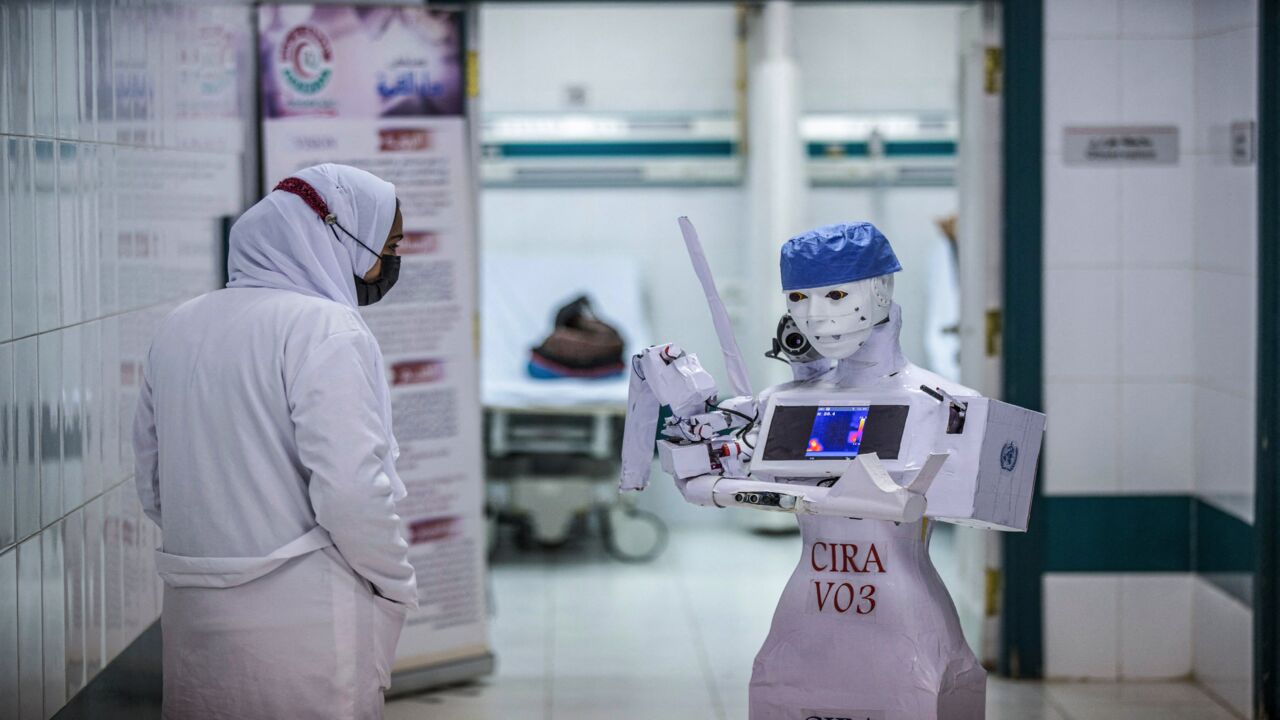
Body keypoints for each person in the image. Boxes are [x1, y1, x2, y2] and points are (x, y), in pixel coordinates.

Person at [133, 163, 416, 719]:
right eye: (390, 244)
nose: (391, 264)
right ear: (339, 234)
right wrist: (394, 583)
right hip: (305, 623)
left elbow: (152, 480)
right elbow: (353, 492)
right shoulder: (326, 329)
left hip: (195, 611)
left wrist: (219, 552)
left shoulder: (179, 325)